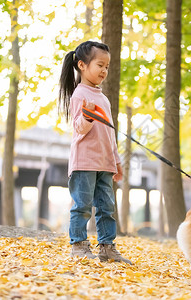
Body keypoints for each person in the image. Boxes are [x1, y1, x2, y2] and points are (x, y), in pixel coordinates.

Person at [58, 40, 132, 264]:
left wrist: (116, 161)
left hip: (104, 163)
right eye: (100, 65)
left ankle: (107, 247)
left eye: (107, 67)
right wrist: (88, 115)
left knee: (107, 208)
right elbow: (79, 129)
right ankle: (78, 245)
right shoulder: (79, 94)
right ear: (82, 65)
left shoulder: (103, 98)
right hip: (84, 162)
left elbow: (109, 135)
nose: (104, 70)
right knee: (82, 206)